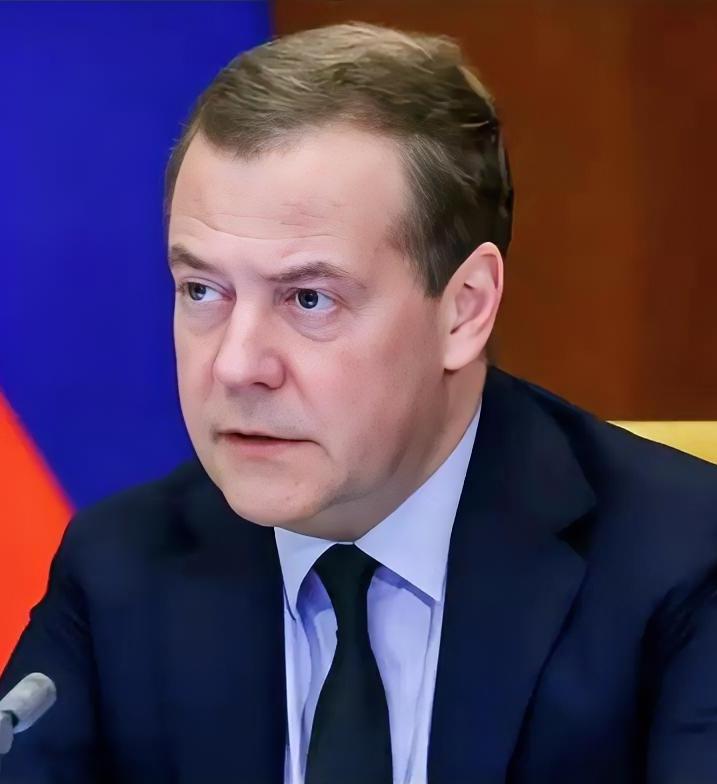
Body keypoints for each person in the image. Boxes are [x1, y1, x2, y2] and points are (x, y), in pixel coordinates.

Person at [1, 20, 716, 784]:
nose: (236, 366)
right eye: (202, 290)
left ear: (464, 309)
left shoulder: (677, 562)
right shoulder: (121, 568)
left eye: (308, 298)